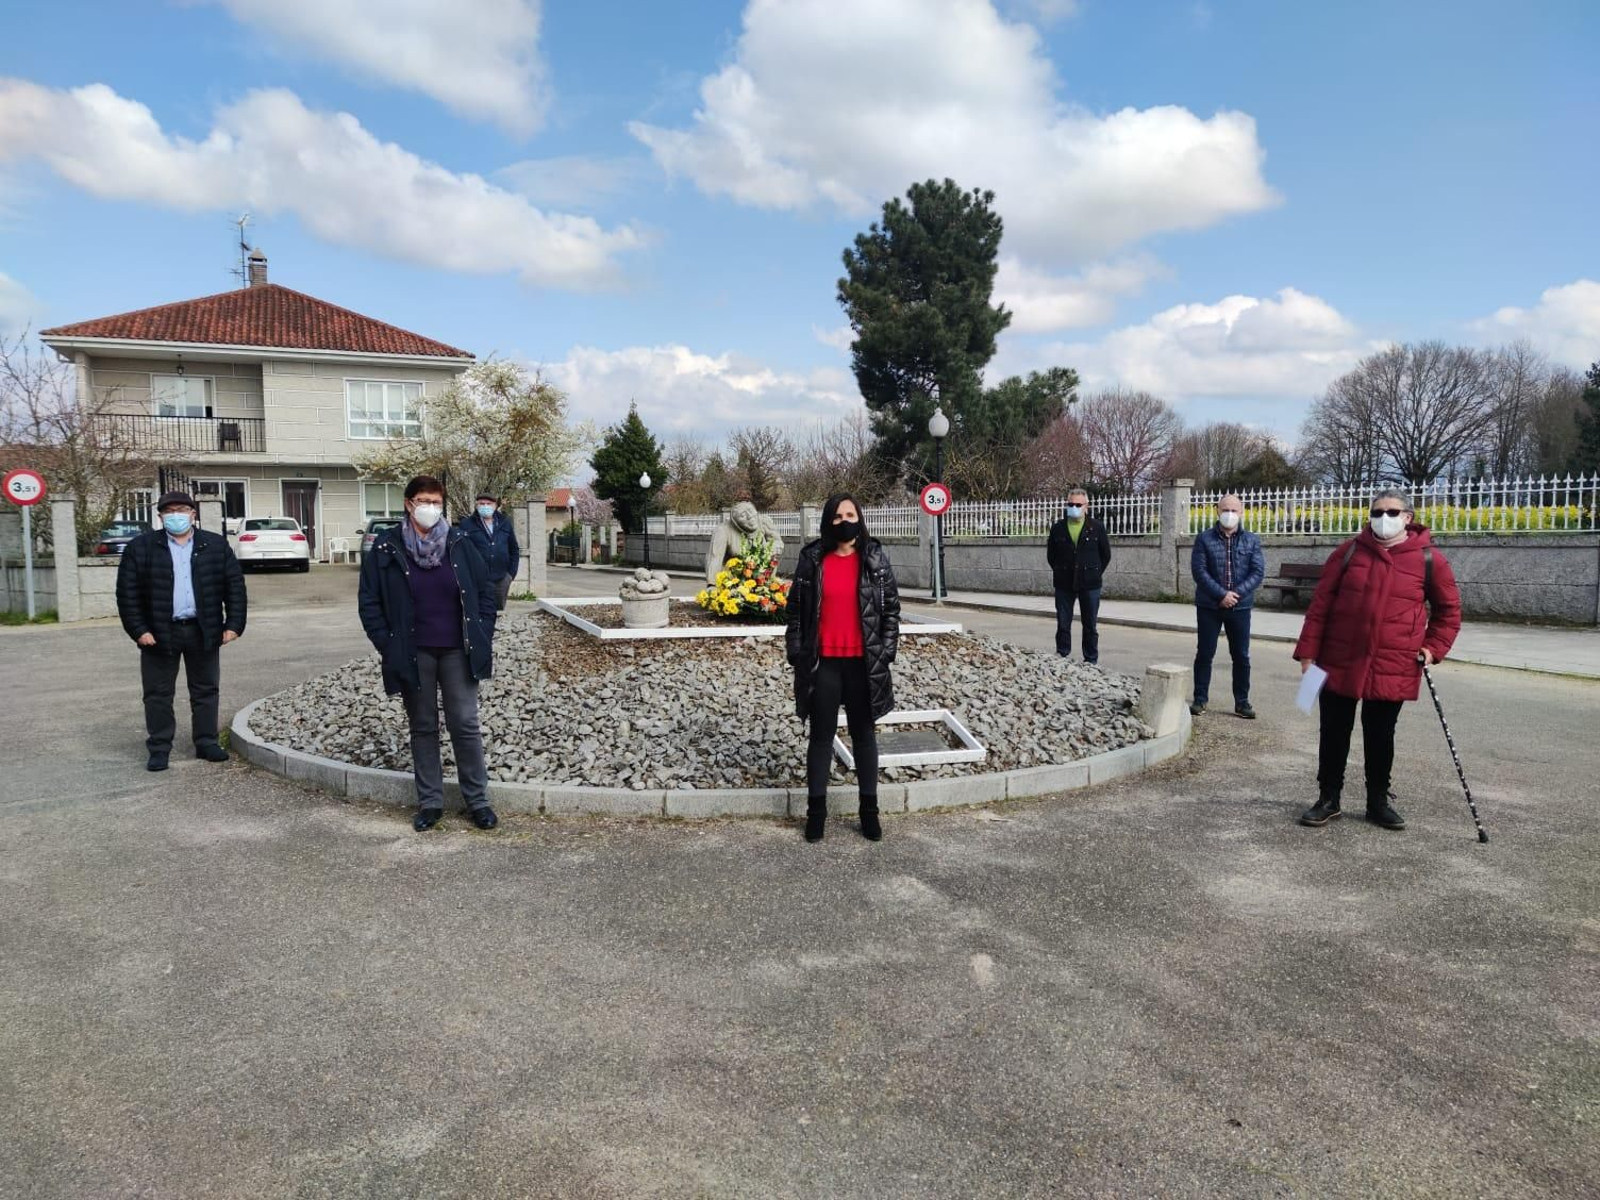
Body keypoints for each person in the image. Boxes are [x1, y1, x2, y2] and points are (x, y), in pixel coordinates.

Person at [1293, 489, 1462, 831]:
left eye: (1392, 511)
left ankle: (1378, 802)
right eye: (1377, 512)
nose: (1383, 518)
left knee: (1381, 734)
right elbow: (1320, 605)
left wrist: (1432, 648)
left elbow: (1449, 612)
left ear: (1408, 518)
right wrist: (1308, 652)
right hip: (1339, 657)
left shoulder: (1429, 560)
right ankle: (1328, 798)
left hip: (1393, 662)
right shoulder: (1348, 552)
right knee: (1334, 731)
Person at [358, 475, 500, 832]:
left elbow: (486, 591)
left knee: (464, 723)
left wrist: (483, 632)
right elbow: (369, 601)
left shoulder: (460, 541)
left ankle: (478, 801)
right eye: (424, 501)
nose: (430, 508)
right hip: (413, 651)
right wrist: (387, 643)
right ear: (409, 504)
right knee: (423, 726)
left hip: (458, 649)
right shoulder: (387, 546)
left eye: (436, 502)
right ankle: (430, 802)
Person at [786, 493, 901, 843]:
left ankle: (869, 812)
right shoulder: (812, 559)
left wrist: (886, 652)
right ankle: (815, 813)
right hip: (823, 664)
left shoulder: (874, 559)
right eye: (837, 516)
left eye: (850, 515)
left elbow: (891, 612)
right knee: (820, 738)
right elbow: (795, 611)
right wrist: (796, 652)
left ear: (860, 519)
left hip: (863, 666)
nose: (844, 521)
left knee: (864, 737)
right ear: (828, 521)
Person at [115, 490, 247, 771]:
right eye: (170, 510)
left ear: (193, 514)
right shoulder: (141, 547)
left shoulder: (214, 545)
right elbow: (127, 594)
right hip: (159, 633)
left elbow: (234, 586)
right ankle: (160, 748)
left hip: (203, 629)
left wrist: (234, 624)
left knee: (206, 690)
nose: (176, 515)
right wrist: (139, 630)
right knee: (158, 694)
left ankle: (207, 742)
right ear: (161, 516)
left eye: (182, 510)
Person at [1190, 493, 1266, 718]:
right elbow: (1199, 571)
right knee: (1205, 653)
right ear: (1217, 511)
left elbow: (1257, 572)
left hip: (1239, 608)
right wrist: (1221, 595)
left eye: (1234, 510)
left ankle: (1242, 702)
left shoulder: (1251, 540)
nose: (1229, 514)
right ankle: (1200, 699)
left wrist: (1236, 595)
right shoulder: (1204, 539)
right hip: (1209, 607)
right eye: (1225, 510)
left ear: (1241, 512)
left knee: (1241, 656)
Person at [1045, 487, 1112, 664]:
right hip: (1064, 583)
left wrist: (1094, 572)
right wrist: (1061, 570)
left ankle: (1090, 659)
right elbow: (1051, 555)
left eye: (1078, 505)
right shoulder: (1058, 528)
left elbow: (1105, 555)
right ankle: (1062, 654)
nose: (1074, 508)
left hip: (1090, 584)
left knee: (1090, 625)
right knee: (1063, 623)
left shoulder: (1096, 527)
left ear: (1086, 506)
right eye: (1071, 504)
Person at [458, 491, 520, 613]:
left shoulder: (504, 523)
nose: (485, 506)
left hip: (501, 578)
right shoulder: (466, 524)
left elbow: (514, 549)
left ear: (495, 505)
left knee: (496, 612)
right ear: (476, 505)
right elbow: (460, 551)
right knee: (477, 611)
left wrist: (510, 574)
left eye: (489, 503)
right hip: (476, 579)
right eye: (482, 504)